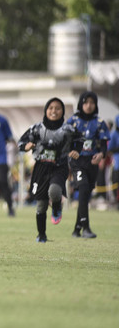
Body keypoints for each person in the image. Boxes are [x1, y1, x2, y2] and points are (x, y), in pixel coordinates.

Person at [18, 98, 82, 242]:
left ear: (63, 111)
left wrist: (76, 150)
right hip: (41, 167)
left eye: (58, 108)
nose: (54, 111)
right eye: (51, 108)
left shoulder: (68, 129)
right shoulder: (36, 129)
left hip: (59, 166)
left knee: (54, 191)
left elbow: (80, 140)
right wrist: (26, 147)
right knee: (40, 205)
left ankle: (57, 206)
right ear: (46, 110)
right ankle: (41, 235)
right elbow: (21, 142)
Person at [66, 91, 110, 238]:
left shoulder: (99, 122)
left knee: (86, 194)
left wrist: (101, 155)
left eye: (92, 102)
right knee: (83, 188)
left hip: (92, 162)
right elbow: (65, 140)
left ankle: (76, 229)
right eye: (86, 102)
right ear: (81, 104)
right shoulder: (72, 121)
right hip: (77, 161)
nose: (89, 105)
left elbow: (104, 144)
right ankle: (86, 228)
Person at [108, 115, 119, 209]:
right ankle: (116, 200)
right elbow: (109, 149)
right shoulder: (114, 134)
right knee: (115, 182)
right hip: (117, 164)